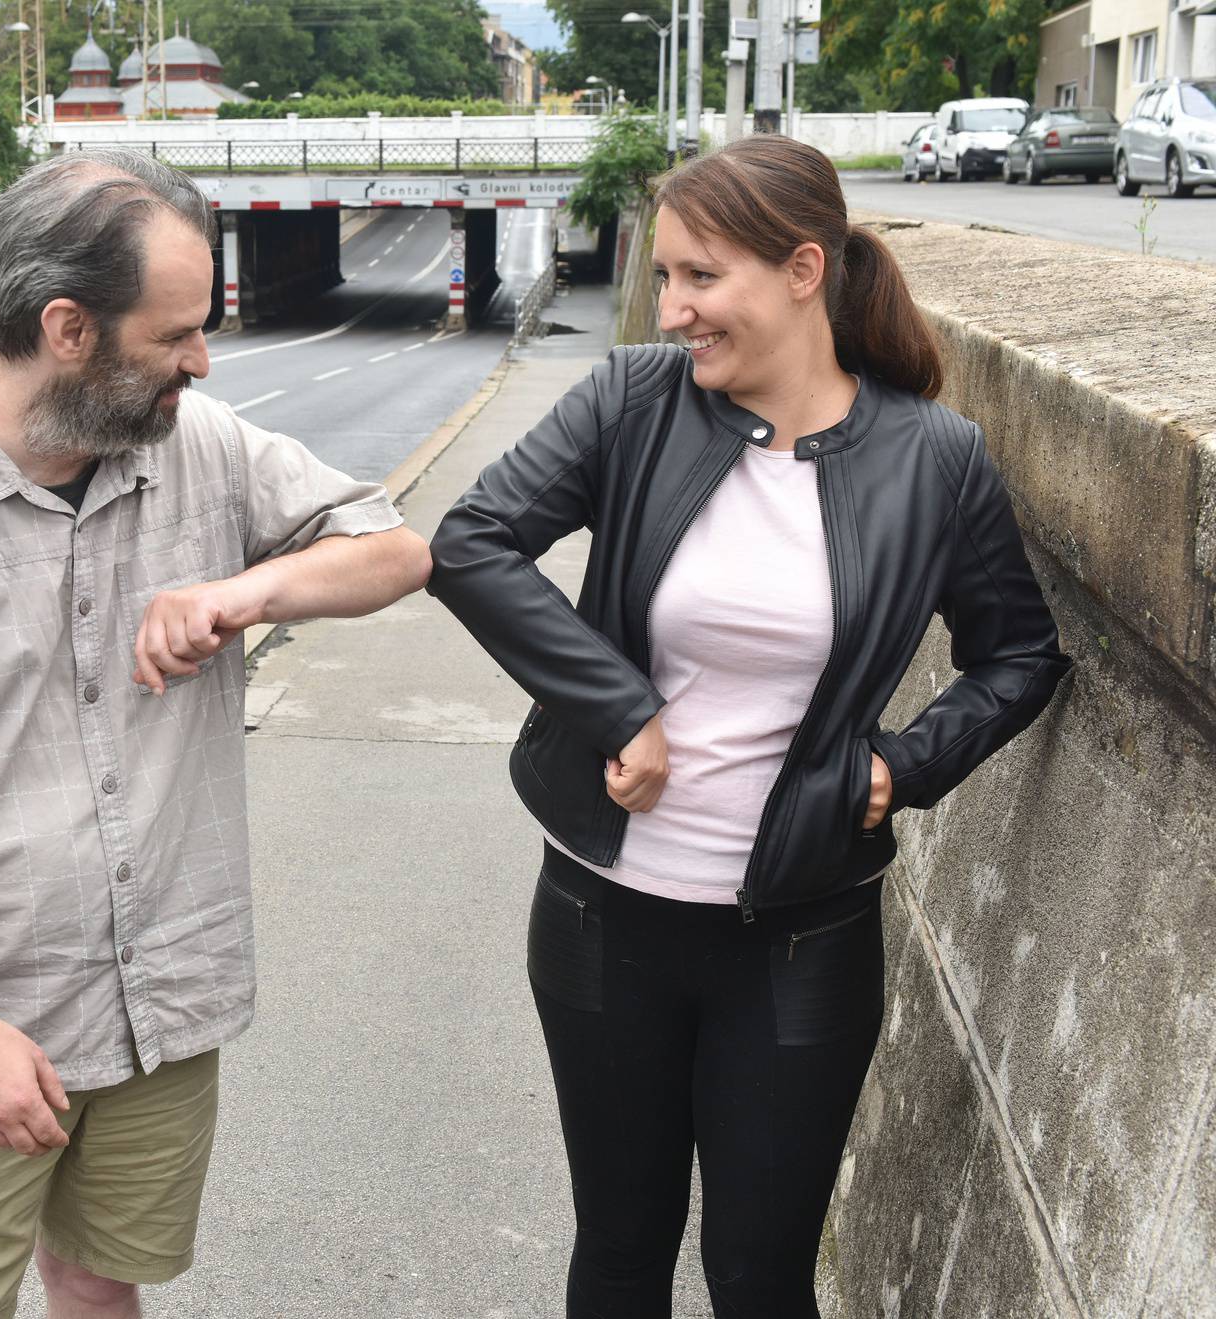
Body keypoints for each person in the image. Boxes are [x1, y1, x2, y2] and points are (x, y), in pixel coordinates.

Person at [0, 149, 431, 1319]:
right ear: (67, 326)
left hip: (163, 1001)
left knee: (98, 1279)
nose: (201, 360)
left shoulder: (204, 445)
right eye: (174, 333)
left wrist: (242, 594)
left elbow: (397, 551)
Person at [426, 135, 1071, 1317]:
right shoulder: (630, 402)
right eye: (663, 277)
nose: (671, 308)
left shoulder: (936, 460)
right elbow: (471, 541)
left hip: (803, 937)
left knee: (760, 1275)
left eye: (700, 277)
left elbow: (1020, 654)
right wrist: (620, 705)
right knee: (620, 1253)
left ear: (803, 269)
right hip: (600, 914)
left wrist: (902, 765)